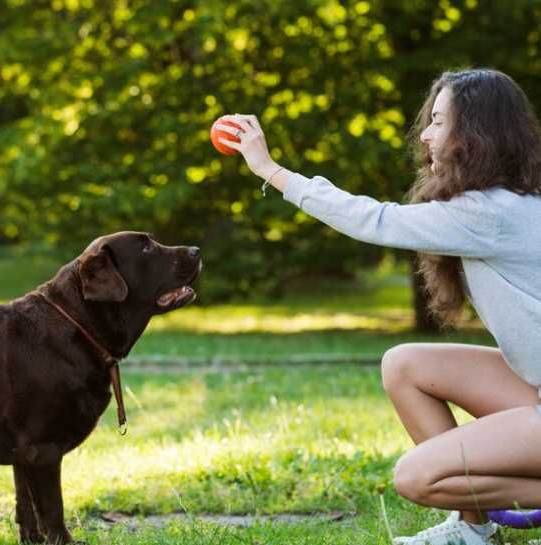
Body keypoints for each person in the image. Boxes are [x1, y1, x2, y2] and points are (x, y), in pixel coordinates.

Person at [215, 68, 541, 545]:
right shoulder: (502, 204)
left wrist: (270, 171)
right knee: (405, 364)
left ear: (473, 135)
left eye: (437, 120)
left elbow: (375, 220)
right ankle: (474, 532)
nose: (426, 134)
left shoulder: (493, 213)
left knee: (416, 477)